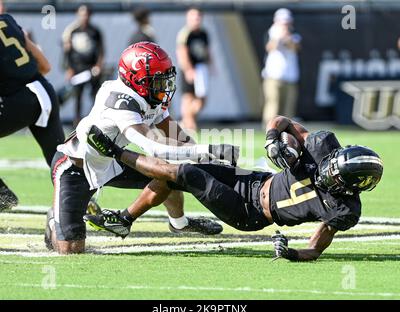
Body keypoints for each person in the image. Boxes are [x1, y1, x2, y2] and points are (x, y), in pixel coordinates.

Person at [85, 115, 383, 262]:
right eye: (331, 163)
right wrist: (272, 138)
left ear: (353, 187)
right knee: (174, 171)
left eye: (335, 176)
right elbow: (284, 122)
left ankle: (114, 151)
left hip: (250, 213)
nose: (327, 171)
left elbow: (315, 248)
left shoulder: (346, 209)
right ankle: (125, 220)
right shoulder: (322, 145)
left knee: (187, 173)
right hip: (253, 180)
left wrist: (292, 254)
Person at [46, 42, 235, 254]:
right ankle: (54, 220)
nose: (164, 86)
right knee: (70, 249)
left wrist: (210, 160)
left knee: (166, 173)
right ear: (136, 80)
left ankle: (176, 223)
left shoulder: (149, 97)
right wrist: (207, 150)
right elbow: (154, 148)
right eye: (158, 80)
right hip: (78, 167)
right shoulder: (120, 101)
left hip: (114, 159)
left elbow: (178, 137)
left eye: (165, 78)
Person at [0, 13, 65, 211]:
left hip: (18, 100)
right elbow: (45, 65)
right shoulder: (6, 20)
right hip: (44, 90)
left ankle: (2, 196)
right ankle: (83, 201)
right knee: (60, 161)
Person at [62, 4, 104, 127]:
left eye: (86, 14)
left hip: (91, 68)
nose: (84, 17)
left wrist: (98, 65)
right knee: (77, 97)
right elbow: (68, 53)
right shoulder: (73, 31)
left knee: (95, 96)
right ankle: (77, 123)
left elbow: (101, 50)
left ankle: (96, 122)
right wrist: (69, 69)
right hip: (77, 69)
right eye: (81, 14)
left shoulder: (95, 31)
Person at [262, 8, 301, 128]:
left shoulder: (294, 35)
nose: (285, 25)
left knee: (288, 109)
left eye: (286, 22)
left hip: (290, 77)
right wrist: (278, 37)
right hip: (273, 77)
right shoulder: (271, 33)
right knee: (273, 105)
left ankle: (286, 133)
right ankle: (269, 130)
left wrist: (287, 37)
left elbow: (295, 48)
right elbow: (270, 47)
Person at [176, 7, 211, 131]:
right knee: (188, 97)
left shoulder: (203, 33)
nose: (196, 20)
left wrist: (210, 64)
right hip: (190, 68)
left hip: (201, 68)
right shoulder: (186, 33)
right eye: (193, 17)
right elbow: (182, 52)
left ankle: (185, 121)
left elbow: (206, 51)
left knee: (202, 99)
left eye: (198, 17)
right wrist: (188, 69)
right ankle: (189, 124)